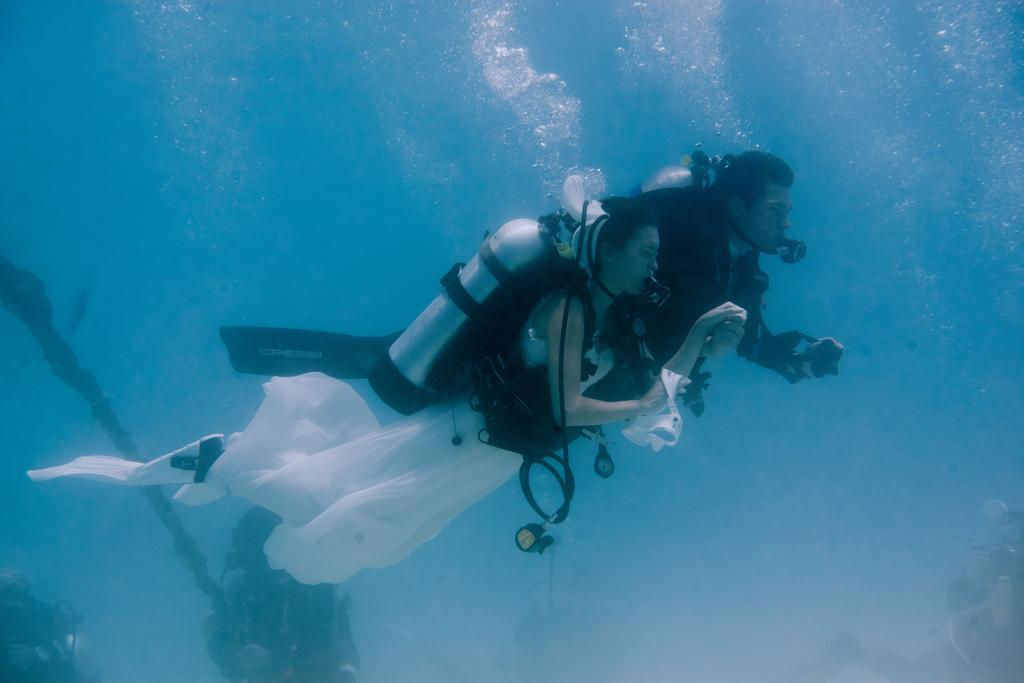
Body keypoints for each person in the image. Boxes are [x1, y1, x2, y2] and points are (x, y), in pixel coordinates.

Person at [28, 197, 745, 585]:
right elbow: (567, 408)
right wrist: (640, 406)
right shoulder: (569, 308)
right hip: (463, 442)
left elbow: (638, 394)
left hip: (485, 456)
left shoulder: (602, 311)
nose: (654, 265)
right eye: (643, 251)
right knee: (327, 503)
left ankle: (220, 462)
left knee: (362, 517)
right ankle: (216, 460)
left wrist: (692, 342)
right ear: (608, 249)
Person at [627, 151, 844, 413]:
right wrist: (706, 348)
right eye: (775, 210)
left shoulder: (742, 262)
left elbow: (750, 338)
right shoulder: (679, 239)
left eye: (786, 212)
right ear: (738, 206)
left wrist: (797, 360)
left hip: (636, 388)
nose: (786, 224)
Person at [204, 507, 360, 683]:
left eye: (255, 552)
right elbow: (230, 668)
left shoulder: (310, 586)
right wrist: (226, 646)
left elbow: (333, 648)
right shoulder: (240, 589)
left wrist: (273, 660)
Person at [0, 567, 95, 683]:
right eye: (9, 596)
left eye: (21, 595)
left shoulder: (42, 615)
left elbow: (61, 658)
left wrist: (34, 656)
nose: (17, 603)